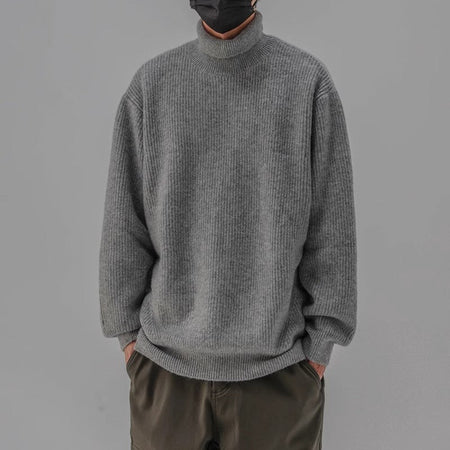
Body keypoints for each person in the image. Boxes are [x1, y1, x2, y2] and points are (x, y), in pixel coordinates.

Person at [98, 1, 357, 449]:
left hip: (279, 378)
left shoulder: (306, 84)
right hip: (165, 373)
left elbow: (331, 230)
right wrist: (129, 342)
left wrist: (319, 349)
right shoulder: (151, 86)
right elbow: (124, 226)